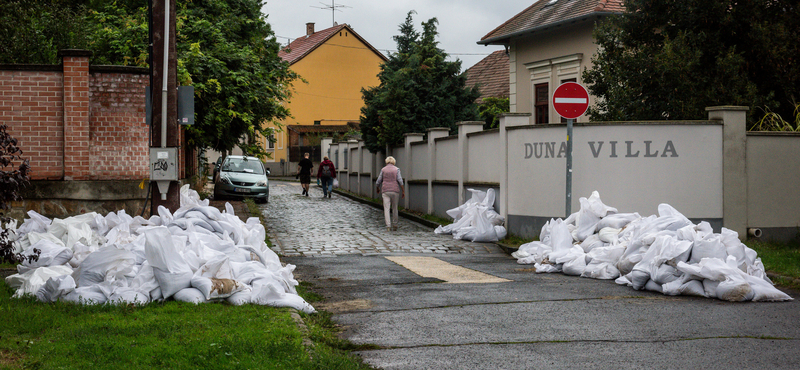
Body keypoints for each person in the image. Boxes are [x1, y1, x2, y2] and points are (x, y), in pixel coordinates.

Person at [375, 156, 405, 231]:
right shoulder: (397, 169)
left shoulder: (383, 170)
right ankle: (395, 224)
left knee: (386, 208)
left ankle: (388, 225)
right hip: (395, 190)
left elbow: (378, 181)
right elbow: (400, 180)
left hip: (385, 191)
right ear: (394, 162)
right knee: (395, 208)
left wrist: (377, 188)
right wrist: (403, 190)